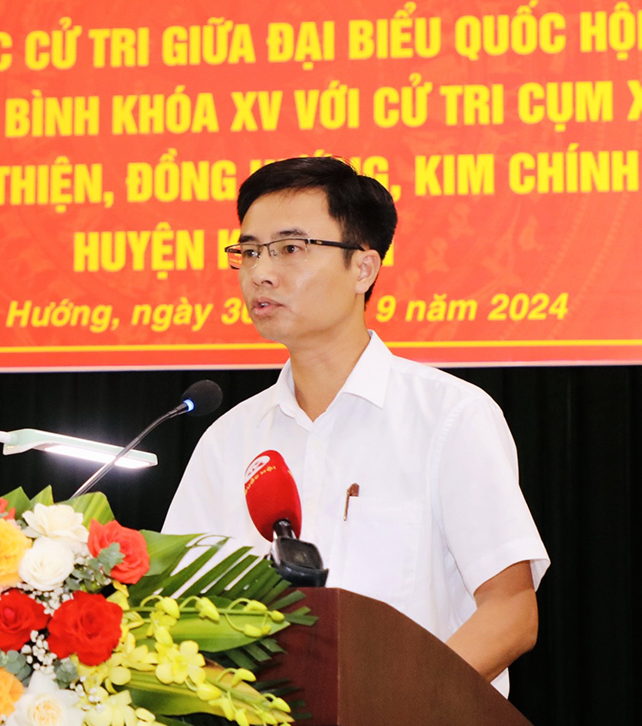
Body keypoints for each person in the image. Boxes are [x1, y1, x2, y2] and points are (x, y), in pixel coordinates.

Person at [162, 156, 549, 696]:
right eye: (249, 251)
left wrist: (399, 704)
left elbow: (509, 610)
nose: (260, 272)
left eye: (290, 249)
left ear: (363, 268)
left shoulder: (449, 416)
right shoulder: (229, 441)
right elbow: (178, 613)